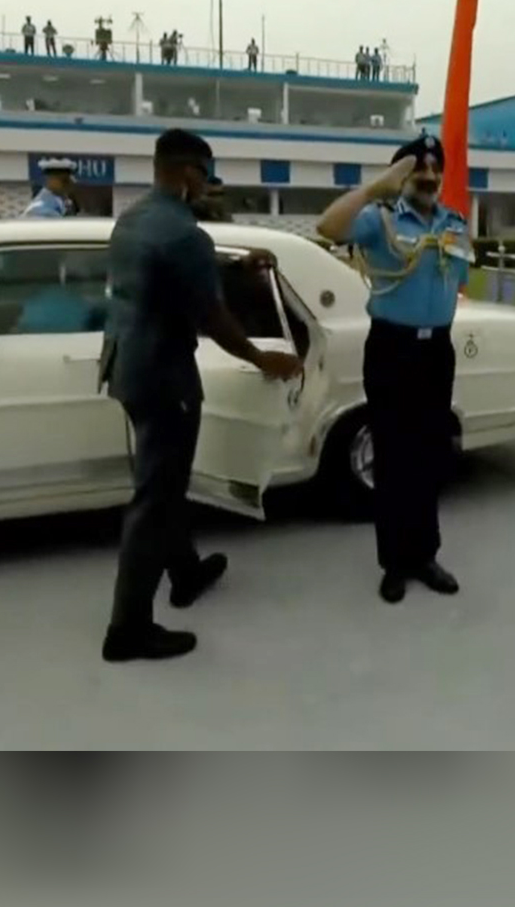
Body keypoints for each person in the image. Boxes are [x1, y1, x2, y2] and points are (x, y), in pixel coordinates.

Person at [99, 129, 300, 662]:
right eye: (208, 178)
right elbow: (211, 316)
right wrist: (262, 358)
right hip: (165, 377)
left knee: (164, 482)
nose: (210, 188)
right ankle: (127, 630)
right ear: (190, 173)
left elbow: (167, 276)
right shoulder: (186, 234)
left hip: (126, 367)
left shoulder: (134, 219)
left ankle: (185, 572)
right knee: (155, 499)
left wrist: (236, 267)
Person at [317, 134, 470, 604]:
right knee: (393, 454)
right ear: (399, 175)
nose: (428, 176)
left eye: (434, 168)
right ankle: (395, 562)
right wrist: (376, 186)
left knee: (431, 453)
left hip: (436, 351)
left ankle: (425, 554)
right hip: (393, 350)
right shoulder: (378, 218)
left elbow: (457, 277)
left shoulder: (454, 223)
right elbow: (328, 226)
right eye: (416, 168)